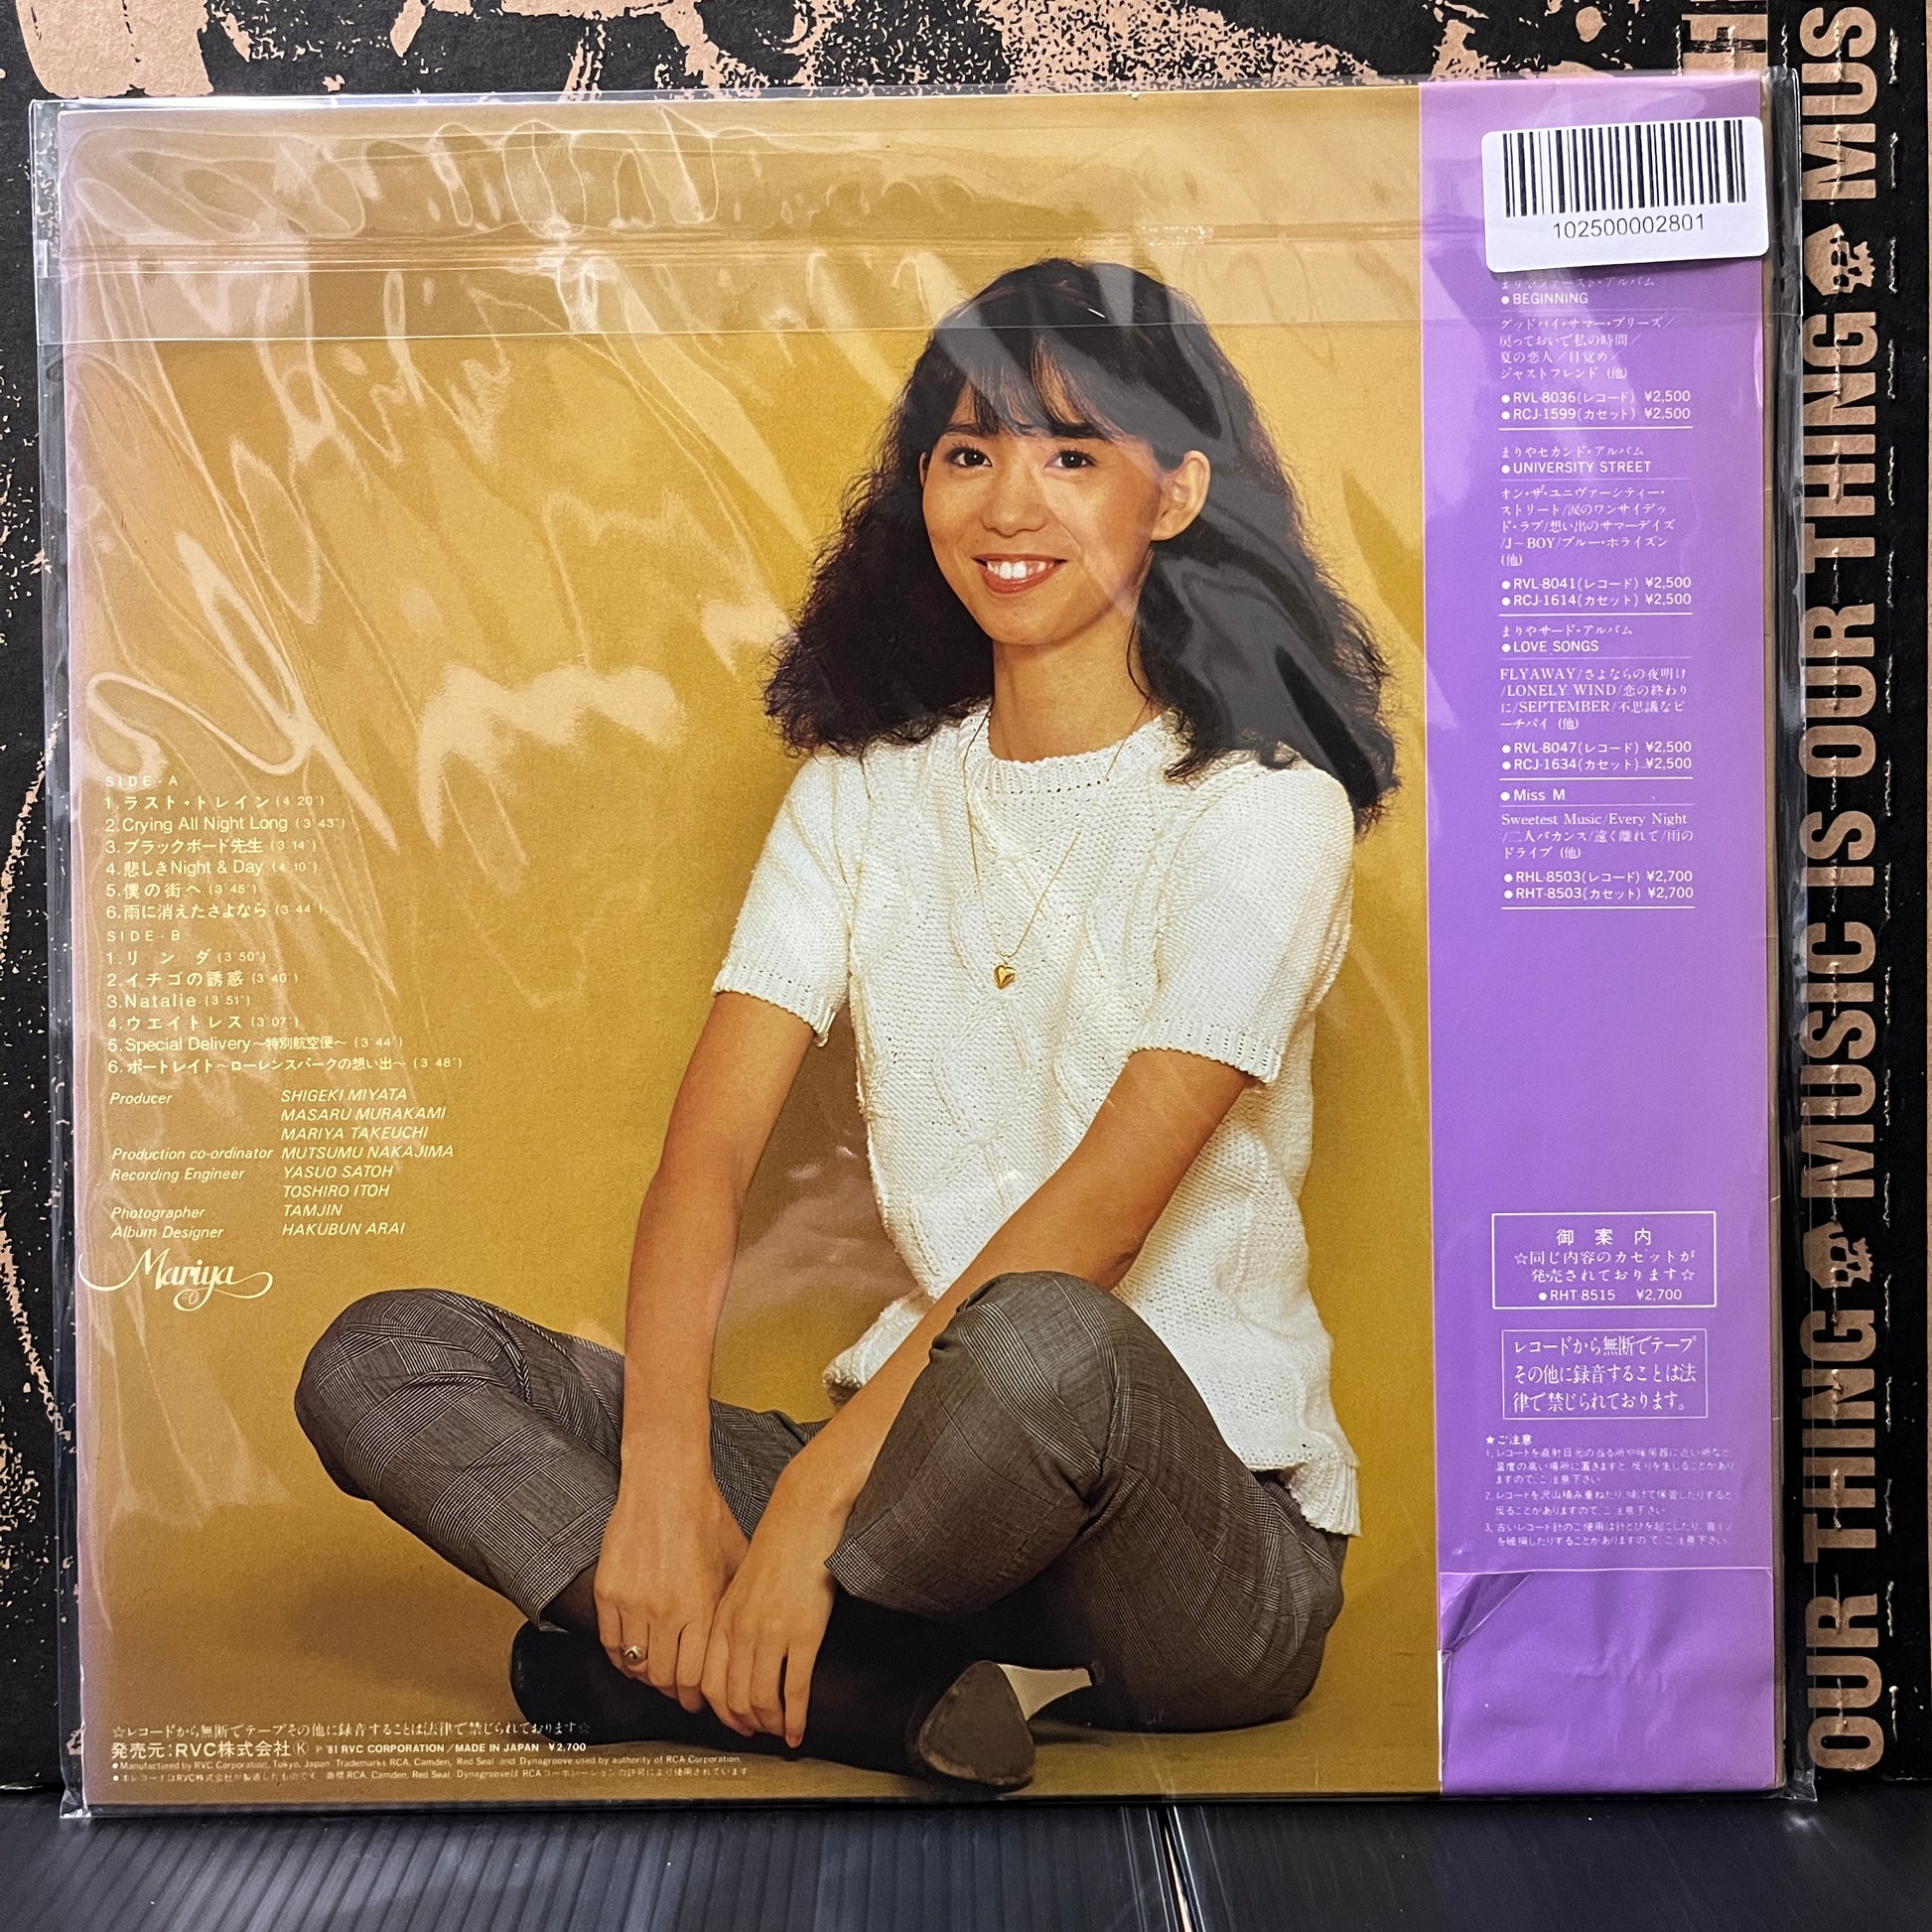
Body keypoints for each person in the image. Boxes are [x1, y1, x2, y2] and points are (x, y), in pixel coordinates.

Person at [295, 258, 1398, 1790]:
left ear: (1176, 490)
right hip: (923, 1499)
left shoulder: (1263, 807)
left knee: (1047, 1333)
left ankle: (661, 1659)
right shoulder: (862, 794)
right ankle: (865, 1692)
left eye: (1072, 455)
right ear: (919, 487)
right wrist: (663, 1478)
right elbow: (708, 1151)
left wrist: (810, 1499)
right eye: (967, 451)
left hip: (1187, 1550)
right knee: (387, 1354)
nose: (1007, 503)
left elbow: (1103, 1208)